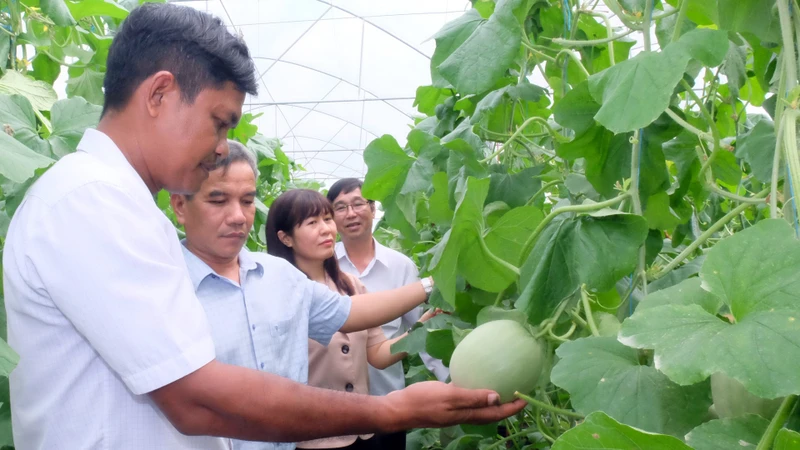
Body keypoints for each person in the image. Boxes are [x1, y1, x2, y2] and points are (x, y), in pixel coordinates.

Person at [2, 3, 524, 450]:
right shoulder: (92, 200)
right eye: (220, 120)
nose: (224, 145)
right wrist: (391, 412)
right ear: (159, 95)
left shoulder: (120, 203)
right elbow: (195, 399)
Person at [171, 142, 436, 450]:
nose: (238, 216)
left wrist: (430, 288)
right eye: (218, 200)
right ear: (179, 206)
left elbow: (352, 314)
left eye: (247, 200)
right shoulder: (166, 288)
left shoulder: (280, 277)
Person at [264, 188, 437, 450]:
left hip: (363, 433)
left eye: (326, 219)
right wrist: (429, 285)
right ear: (285, 238)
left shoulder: (351, 285)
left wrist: (422, 327)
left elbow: (378, 354)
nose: (326, 229)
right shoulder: (280, 293)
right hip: (310, 439)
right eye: (312, 223)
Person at [327, 178, 450, 449]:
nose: (351, 213)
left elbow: (424, 335)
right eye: (341, 207)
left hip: (389, 405)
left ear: (373, 209)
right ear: (331, 218)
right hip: (333, 410)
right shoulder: (323, 266)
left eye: (358, 204)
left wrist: (452, 380)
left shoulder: (400, 266)